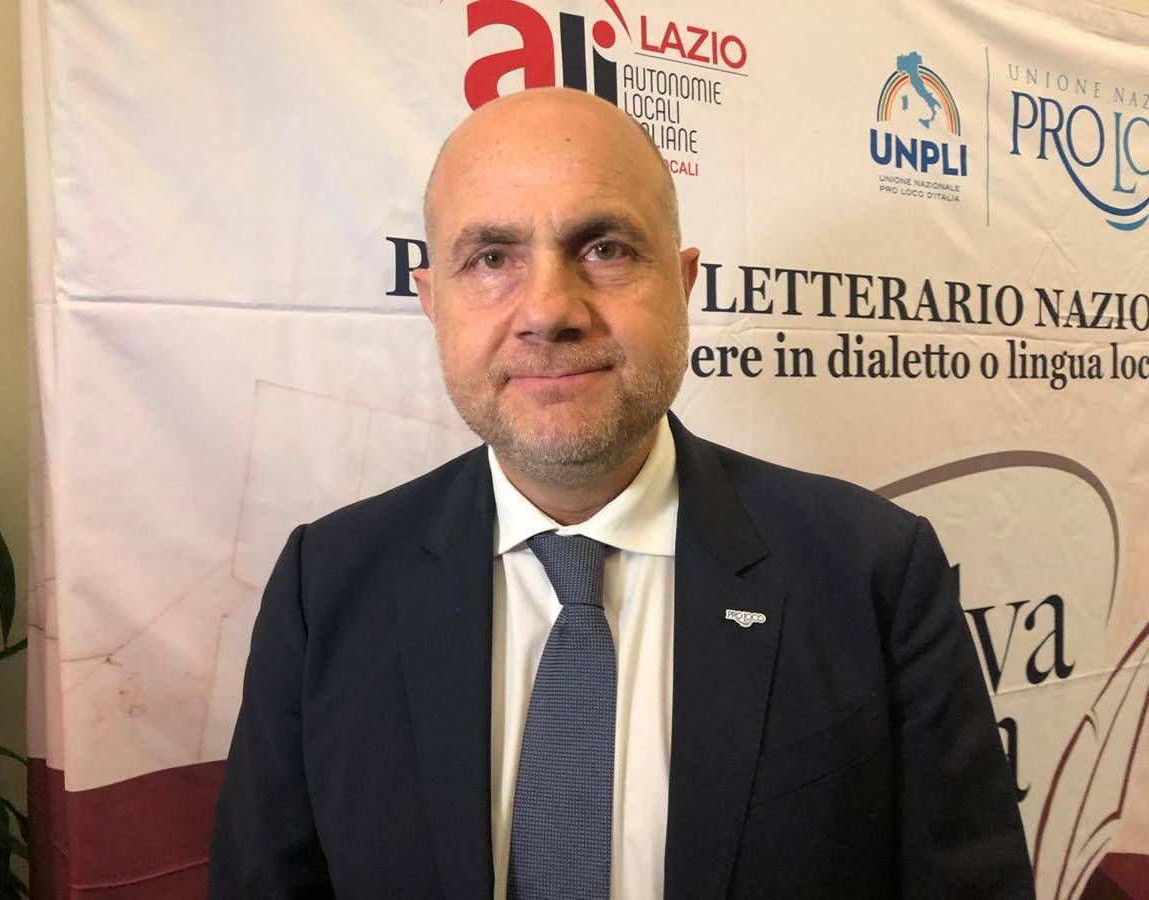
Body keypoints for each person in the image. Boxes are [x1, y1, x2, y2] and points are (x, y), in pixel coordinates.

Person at [209, 87, 1034, 898]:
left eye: (604, 248)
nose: (549, 311)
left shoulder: (873, 573)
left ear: (683, 282)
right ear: (432, 303)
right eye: (491, 259)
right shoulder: (325, 586)